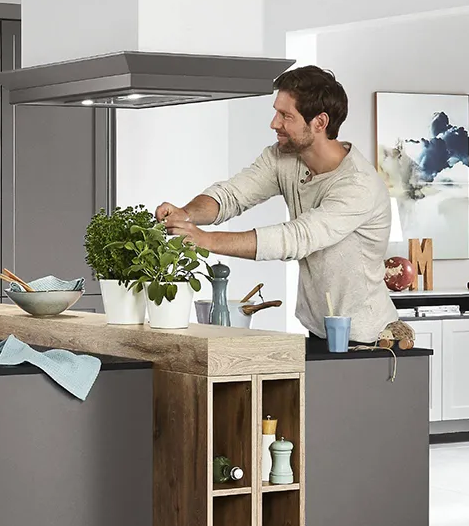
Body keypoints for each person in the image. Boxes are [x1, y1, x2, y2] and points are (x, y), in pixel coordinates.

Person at [156, 64, 402, 344]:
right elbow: (232, 195)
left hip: (369, 336)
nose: (274, 123)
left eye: (286, 115)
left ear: (319, 122)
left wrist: (206, 240)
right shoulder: (283, 157)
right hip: (320, 327)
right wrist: (185, 215)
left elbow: (297, 238)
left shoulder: (358, 185)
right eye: (277, 112)